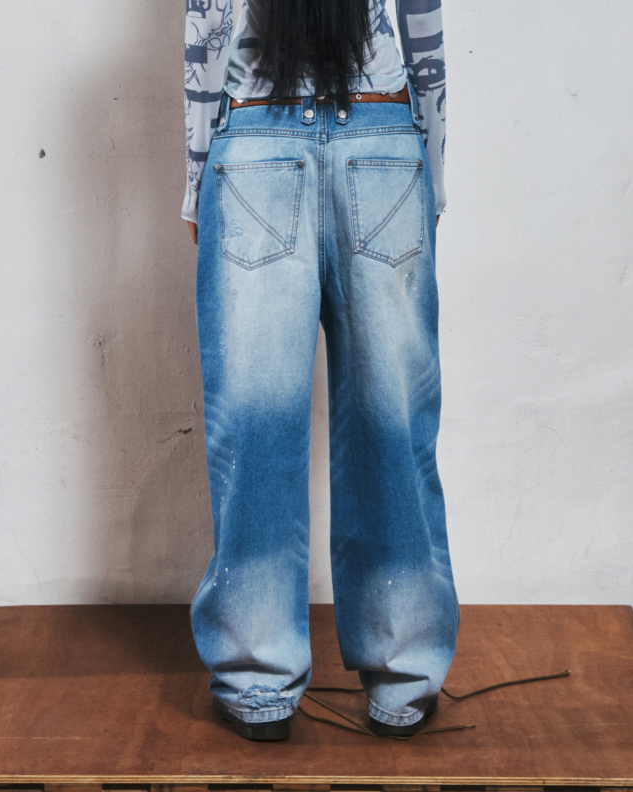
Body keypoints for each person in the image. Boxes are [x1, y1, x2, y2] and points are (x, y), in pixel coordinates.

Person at [182, 3, 457, 739]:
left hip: (255, 143)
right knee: (392, 421)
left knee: (255, 423)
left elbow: (208, 24)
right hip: (383, 136)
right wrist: (432, 169)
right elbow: (423, 19)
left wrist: (196, 178)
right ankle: (404, 674)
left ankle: (258, 678)